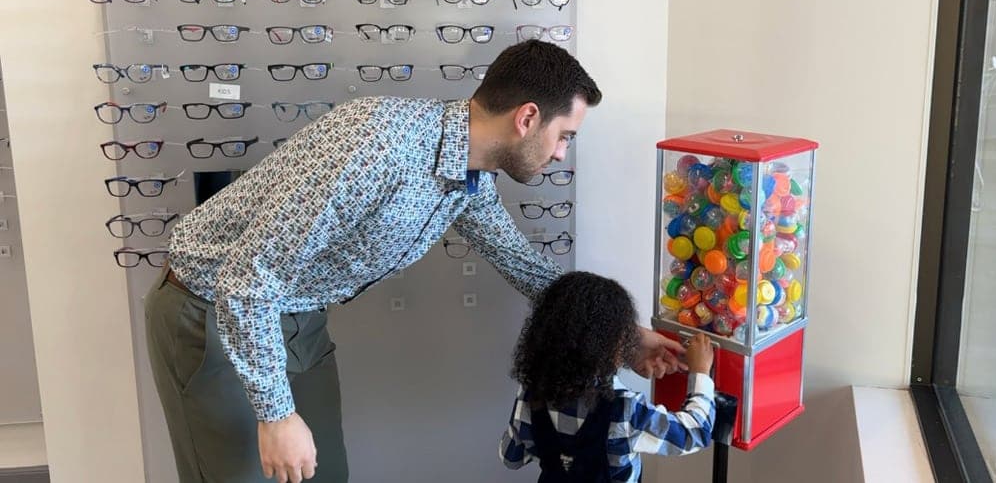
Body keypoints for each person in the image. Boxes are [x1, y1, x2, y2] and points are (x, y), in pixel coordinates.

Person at [144, 40, 686, 483]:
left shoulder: (468, 180)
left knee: (324, 475)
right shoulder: (376, 143)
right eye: (564, 135)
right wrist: (276, 414)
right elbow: (246, 279)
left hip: (295, 314)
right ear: (527, 118)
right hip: (212, 309)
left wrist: (622, 335)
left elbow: (526, 269)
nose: (563, 152)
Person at [499, 271, 716, 482]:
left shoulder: (532, 392)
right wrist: (701, 373)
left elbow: (511, 457)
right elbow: (693, 434)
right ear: (612, 345)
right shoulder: (624, 410)